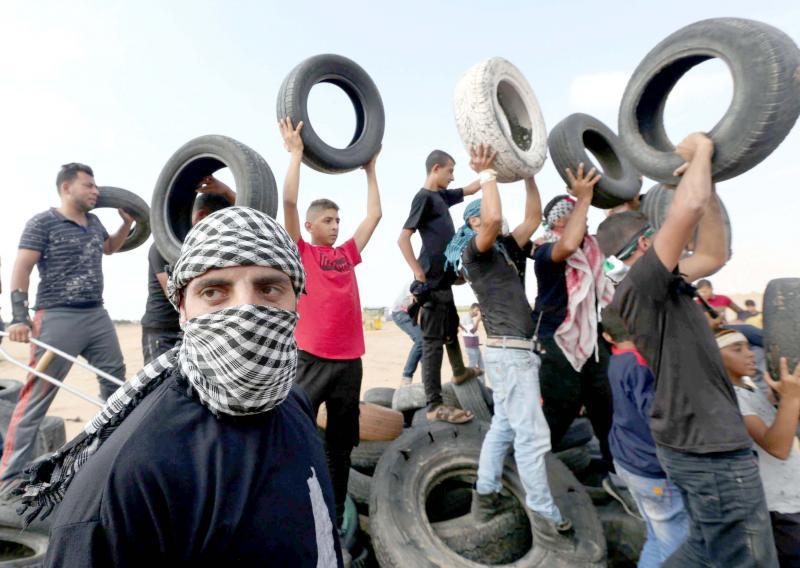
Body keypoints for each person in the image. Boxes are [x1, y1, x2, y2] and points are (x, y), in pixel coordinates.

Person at [17, 207, 343, 567]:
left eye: (268, 288)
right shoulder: (130, 476)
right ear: (183, 309)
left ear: (296, 298)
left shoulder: (294, 402)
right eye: (215, 292)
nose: (246, 312)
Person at [597, 132, 778, 566]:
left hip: (701, 442)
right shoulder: (640, 287)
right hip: (708, 448)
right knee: (748, 558)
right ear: (646, 244)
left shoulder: (667, 283)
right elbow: (688, 209)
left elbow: (715, 252)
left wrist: (706, 182)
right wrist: (700, 155)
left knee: (703, 548)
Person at [444, 145, 573, 541]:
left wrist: (529, 172)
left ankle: (486, 493)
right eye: (484, 214)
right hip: (510, 355)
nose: (496, 219)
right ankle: (542, 508)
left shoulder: (504, 250)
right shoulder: (475, 253)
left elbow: (532, 217)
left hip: (513, 354)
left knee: (502, 426)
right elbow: (494, 216)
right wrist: (487, 176)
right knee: (532, 437)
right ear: (473, 222)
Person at [0, 163, 132, 490]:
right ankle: (10, 476)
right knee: (37, 395)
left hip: (97, 316)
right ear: (66, 187)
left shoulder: (95, 221)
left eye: (95, 186)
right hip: (57, 316)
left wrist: (127, 224)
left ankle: (110, 456)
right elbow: (22, 268)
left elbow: (110, 248)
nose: (95, 191)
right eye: (88, 185)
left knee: (117, 384)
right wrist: (19, 317)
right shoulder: (43, 222)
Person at [279, 117, 381, 531]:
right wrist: (296, 156)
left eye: (338, 221)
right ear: (310, 225)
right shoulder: (301, 250)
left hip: (349, 363)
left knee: (341, 449)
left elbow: (374, 215)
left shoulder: (347, 254)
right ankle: (291, 513)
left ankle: (336, 520)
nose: (336, 227)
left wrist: (370, 170)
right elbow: (287, 203)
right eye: (328, 221)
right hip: (312, 361)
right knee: (296, 439)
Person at [530, 163, 616, 471]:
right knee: (559, 410)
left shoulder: (593, 252)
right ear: (558, 223)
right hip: (555, 341)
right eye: (574, 214)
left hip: (591, 342)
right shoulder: (545, 252)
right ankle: (531, 474)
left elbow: (617, 234)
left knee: (606, 406)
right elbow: (567, 245)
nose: (584, 215)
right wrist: (582, 199)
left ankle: (615, 470)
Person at [398, 148, 484, 424]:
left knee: (450, 329)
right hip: (431, 283)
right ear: (436, 169)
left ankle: (459, 372)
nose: (452, 176)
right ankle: (434, 405)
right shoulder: (423, 198)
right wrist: (418, 272)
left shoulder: (442, 197)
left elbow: (471, 189)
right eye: (449, 170)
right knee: (432, 342)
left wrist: (490, 170)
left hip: (445, 281)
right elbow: (403, 239)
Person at [601, 306, 689, 566]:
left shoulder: (617, 359)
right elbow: (659, 416)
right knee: (677, 548)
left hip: (628, 461)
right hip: (651, 469)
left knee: (657, 537)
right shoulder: (641, 363)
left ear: (607, 337)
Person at [717, 329, 800, 567]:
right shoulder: (730, 397)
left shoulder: (748, 387)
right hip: (780, 504)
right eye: (737, 349)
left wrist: (785, 399)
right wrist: (791, 399)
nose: (750, 354)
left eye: (748, 347)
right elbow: (777, 447)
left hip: (790, 494)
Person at [140, 176, 234, 363]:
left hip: (193, 327)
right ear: (202, 217)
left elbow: (251, 220)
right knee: (162, 386)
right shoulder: (165, 245)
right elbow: (174, 294)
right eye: (220, 225)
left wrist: (227, 193)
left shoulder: (208, 247)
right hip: (163, 331)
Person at [390, 282, 422, 385]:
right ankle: (407, 376)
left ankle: (427, 380)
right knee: (421, 340)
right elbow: (416, 304)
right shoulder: (415, 283)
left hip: (411, 313)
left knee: (425, 344)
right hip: (401, 313)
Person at [459, 303, 483, 371]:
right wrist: (478, 320)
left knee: (482, 367)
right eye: (477, 310)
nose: (478, 313)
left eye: (479, 311)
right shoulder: (467, 318)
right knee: (472, 367)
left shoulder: (469, 318)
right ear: (472, 309)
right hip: (471, 347)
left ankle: (481, 381)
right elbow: (472, 331)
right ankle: (469, 381)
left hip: (474, 346)